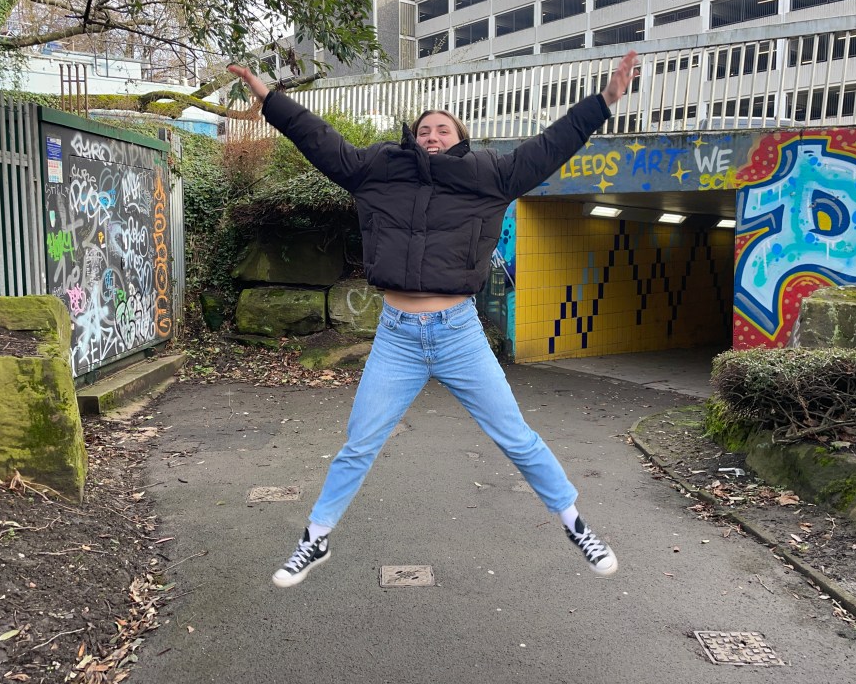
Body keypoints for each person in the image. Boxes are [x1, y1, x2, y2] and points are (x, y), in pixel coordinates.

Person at [228, 51, 640, 588]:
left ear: (460, 137)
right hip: (397, 336)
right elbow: (318, 137)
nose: (432, 133)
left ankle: (575, 523)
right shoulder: (375, 169)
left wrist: (604, 101)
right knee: (359, 442)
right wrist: (268, 97)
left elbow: (551, 145)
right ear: (412, 137)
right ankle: (316, 537)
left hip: (459, 334)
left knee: (515, 436)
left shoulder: (492, 174)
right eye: (424, 128)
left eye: (443, 128)